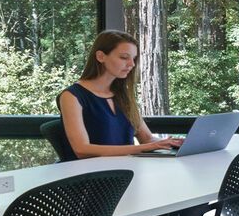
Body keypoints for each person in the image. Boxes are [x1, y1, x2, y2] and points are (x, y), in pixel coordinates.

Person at [57, 30, 181, 160]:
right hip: (91, 176)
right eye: (124, 57)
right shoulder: (71, 96)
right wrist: (144, 148)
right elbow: (82, 149)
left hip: (125, 170)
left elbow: (147, 138)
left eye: (134, 59)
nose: (131, 64)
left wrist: (174, 144)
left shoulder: (122, 95)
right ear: (100, 56)